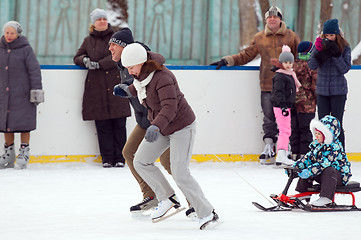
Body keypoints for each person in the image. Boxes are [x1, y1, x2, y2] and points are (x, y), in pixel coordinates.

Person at [115, 43, 219, 230]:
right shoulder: (141, 76)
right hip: (163, 127)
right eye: (127, 68)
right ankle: (167, 197)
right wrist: (127, 90)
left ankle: (206, 212)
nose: (130, 72)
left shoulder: (163, 77)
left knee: (180, 173)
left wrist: (155, 126)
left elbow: (170, 107)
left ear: (142, 62)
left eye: (131, 67)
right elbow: (140, 87)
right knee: (141, 161)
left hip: (181, 127)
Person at [211, 6, 300, 165]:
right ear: (266, 20)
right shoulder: (260, 37)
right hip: (267, 84)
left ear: (280, 19)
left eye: (275, 16)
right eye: (269, 17)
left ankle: (286, 149)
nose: (272, 19)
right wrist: (227, 61)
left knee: (288, 119)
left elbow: (300, 58)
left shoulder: (291, 36)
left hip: (287, 87)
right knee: (268, 119)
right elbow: (246, 55)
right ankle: (269, 148)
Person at [108, 27, 174, 214]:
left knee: (171, 164)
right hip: (144, 121)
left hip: (160, 122)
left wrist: (128, 89)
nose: (110, 48)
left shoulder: (143, 63)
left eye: (113, 45)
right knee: (129, 152)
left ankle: (192, 201)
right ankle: (151, 195)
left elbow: (148, 88)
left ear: (124, 47)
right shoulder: (123, 65)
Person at [73, 8, 131, 168]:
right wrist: (84, 60)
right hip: (96, 88)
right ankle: (107, 158)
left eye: (104, 19)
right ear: (93, 23)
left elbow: (119, 56)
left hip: (115, 85)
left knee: (119, 125)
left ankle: (121, 158)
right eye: (99, 20)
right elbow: (77, 56)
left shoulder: (116, 38)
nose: (102, 22)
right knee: (103, 125)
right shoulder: (87, 41)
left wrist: (99, 64)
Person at [0, 21, 44, 169]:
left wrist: (36, 90)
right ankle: (9, 152)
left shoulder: (26, 49)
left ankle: (24, 151)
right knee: (6, 125)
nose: (9, 35)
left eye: (12, 33)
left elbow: (34, 71)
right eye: (7, 32)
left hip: (23, 95)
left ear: (18, 34)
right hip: (4, 96)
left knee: (25, 125)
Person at [308, 19, 351, 149]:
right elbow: (312, 65)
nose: (329, 38)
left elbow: (345, 69)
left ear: (337, 35)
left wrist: (336, 55)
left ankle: (339, 153)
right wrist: (317, 50)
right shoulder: (319, 45)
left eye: (331, 35)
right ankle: (324, 153)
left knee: (337, 123)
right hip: (322, 91)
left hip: (339, 91)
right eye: (326, 35)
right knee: (322, 125)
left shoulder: (345, 47)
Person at [292, 115, 351, 207]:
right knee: (309, 167)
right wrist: (296, 167)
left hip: (338, 176)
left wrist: (309, 171)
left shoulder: (335, 147)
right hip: (324, 175)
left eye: (319, 134)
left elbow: (324, 163)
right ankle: (303, 194)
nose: (316, 136)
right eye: (316, 133)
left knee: (328, 169)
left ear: (326, 135)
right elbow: (308, 158)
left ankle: (326, 197)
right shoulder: (317, 145)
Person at [270, 45, 300, 165]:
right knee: (284, 130)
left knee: (286, 130)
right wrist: (282, 106)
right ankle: (281, 153)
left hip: (285, 106)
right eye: (285, 62)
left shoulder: (289, 74)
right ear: (281, 63)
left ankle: (282, 153)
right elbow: (278, 92)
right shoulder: (280, 75)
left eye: (290, 62)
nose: (288, 64)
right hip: (281, 106)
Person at [290, 41, 317, 161]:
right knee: (306, 129)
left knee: (295, 129)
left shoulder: (292, 65)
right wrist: (318, 99)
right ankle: (304, 154)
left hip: (293, 103)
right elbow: (315, 86)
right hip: (308, 104)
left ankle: (294, 153)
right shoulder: (312, 66)